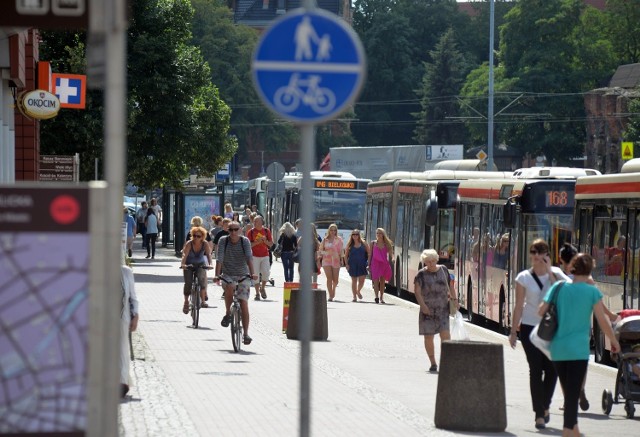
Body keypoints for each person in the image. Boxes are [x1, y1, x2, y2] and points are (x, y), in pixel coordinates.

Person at [539, 253, 620, 437]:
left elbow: (540, 311)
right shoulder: (592, 292)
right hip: (578, 350)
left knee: (569, 392)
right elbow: (603, 320)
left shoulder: (558, 287)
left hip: (558, 349)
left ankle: (573, 429)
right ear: (590, 269)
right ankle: (569, 430)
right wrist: (614, 341)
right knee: (573, 393)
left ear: (572, 268)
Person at [509, 238, 570, 430]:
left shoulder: (558, 274)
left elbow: (566, 293)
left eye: (540, 252)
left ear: (547, 255)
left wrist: (551, 272)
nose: (536, 256)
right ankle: (539, 414)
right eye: (533, 252)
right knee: (535, 369)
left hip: (552, 329)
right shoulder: (523, 277)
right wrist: (513, 330)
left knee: (551, 370)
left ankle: (545, 406)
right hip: (529, 327)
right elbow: (519, 305)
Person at [414, 249, 457, 372]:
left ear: (436, 260)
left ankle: (446, 361)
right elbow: (417, 292)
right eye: (428, 262)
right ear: (425, 262)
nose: (431, 264)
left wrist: (455, 300)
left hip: (443, 309)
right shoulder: (421, 274)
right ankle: (433, 362)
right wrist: (423, 306)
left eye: (433, 261)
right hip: (427, 311)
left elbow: (451, 287)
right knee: (429, 337)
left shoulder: (443, 269)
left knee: (445, 335)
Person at [215, 221, 257, 345]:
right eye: (231, 230)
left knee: (243, 302)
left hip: (243, 275)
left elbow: (249, 258)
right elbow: (219, 259)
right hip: (228, 274)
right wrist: (217, 275)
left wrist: (253, 273)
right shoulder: (223, 240)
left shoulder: (245, 241)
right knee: (230, 286)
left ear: (240, 230)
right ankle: (228, 313)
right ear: (227, 230)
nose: (233, 232)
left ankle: (246, 334)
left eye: (236, 229)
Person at [180, 225, 212, 313]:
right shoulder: (189, 243)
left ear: (202, 237)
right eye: (194, 236)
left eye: (199, 236)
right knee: (188, 283)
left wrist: (210, 264)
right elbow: (184, 255)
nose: (196, 238)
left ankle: (203, 301)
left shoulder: (205, 243)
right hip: (189, 264)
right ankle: (186, 302)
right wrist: (183, 264)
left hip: (200, 264)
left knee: (202, 281)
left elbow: (209, 255)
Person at [120, 264, 139, 398]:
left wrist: (135, 315)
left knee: (121, 350)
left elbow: (133, 297)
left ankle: (121, 382)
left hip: (121, 317)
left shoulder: (126, 272)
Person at [247, 215, 273, 300]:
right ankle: (257, 293)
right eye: (254, 221)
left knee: (266, 272)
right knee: (255, 275)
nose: (254, 223)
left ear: (261, 222)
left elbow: (271, 244)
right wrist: (256, 243)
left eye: (256, 221)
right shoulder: (250, 232)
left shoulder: (266, 231)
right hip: (254, 256)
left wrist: (265, 241)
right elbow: (248, 245)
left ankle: (263, 288)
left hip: (265, 255)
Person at [319, 223, 344, 301]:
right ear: (329, 230)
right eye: (331, 230)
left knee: (335, 280)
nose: (333, 232)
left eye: (334, 230)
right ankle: (330, 295)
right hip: (326, 260)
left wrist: (342, 260)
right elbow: (320, 251)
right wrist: (326, 253)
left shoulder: (339, 239)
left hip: (336, 260)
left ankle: (333, 290)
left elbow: (341, 251)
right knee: (329, 278)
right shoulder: (325, 239)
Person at [369, 228, 393, 304]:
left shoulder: (387, 244)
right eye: (377, 233)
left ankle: (381, 297)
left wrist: (392, 259)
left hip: (384, 264)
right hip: (375, 264)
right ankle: (376, 296)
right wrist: (368, 264)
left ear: (383, 235)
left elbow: (391, 254)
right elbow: (370, 255)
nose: (378, 235)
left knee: (382, 282)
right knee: (375, 280)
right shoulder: (373, 243)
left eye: (380, 233)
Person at [345, 229, 369, 302]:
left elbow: (369, 253)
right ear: (351, 236)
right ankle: (354, 296)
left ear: (359, 235)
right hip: (352, 264)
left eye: (356, 234)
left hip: (362, 264)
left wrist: (368, 262)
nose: (355, 236)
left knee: (362, 280)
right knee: (354, 280)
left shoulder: (364, 243)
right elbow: (345, 256)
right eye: (353, 234)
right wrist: (346, 264)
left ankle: (358, 291)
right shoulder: (349, 244)